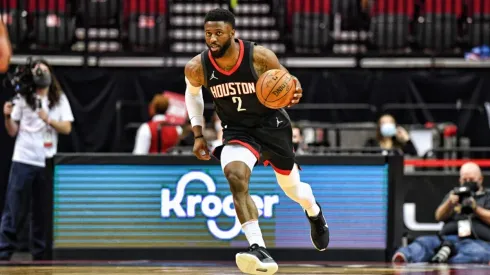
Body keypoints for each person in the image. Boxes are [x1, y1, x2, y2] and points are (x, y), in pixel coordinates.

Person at [184, 8, 329, 275]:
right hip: (237, 130)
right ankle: (257, 248)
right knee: (235, 176)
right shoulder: (197, 66)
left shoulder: (258, 56)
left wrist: (294, 88)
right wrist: (197, 133)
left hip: (272, 126)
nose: (212, 39)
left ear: (232, 33)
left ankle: (314, 211)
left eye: (218, 33)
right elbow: (192, 95)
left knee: (292, 188)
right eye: (208, 34)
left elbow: (287, 80)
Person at [1, 59, 74, 260]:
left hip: (47, 160)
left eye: (43, 69)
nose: (40, 73)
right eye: (37, 70)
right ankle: (4, 250)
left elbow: (67, 128)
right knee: (14, 206)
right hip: (23, 158)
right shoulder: (24, 98)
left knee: (41, 210)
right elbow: (12, 131)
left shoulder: (59, 99)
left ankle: (40, 254)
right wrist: (7, 117)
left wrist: (47, 119)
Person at [393, 162, 490, 264]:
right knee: (424, 242)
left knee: (478, 254)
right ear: (460, 180)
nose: (468, 182)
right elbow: (438, 216)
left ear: (480, 179)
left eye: (471, 180)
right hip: (447, 238)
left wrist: (476, 209)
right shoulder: (453, 194)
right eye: (464, 180)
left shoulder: (487, 196)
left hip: (476, 241)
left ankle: (446, 260)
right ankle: (404, 257)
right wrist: (449, 203)